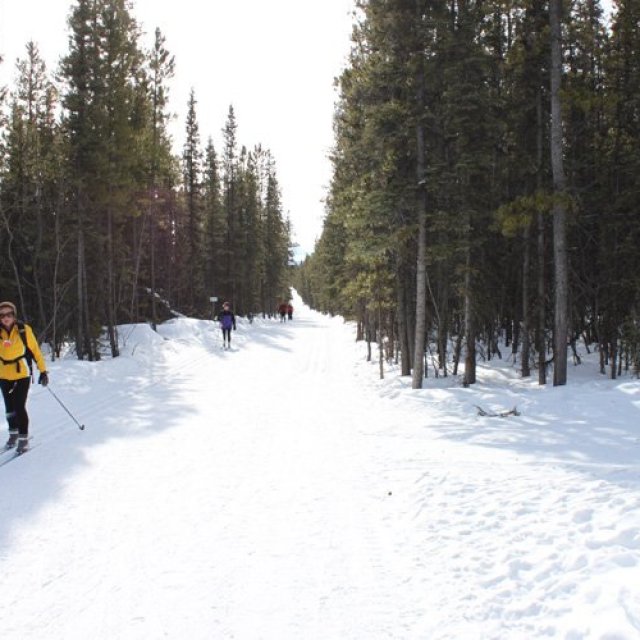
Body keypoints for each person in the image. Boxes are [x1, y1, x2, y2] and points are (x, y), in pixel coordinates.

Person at [0, 301, 48, 453]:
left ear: (14, 315)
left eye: (9, 314)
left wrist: (43, 371)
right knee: (9, 408)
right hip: (3, 373)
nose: (5, 318)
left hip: (22, 373)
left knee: (19, 406)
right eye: (2, 315)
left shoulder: (23, 330)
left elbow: (35, 351)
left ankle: (23, 439)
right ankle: (13, 435)